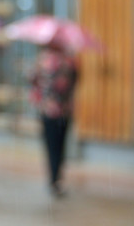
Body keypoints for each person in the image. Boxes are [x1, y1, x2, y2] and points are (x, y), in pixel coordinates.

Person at [29, 41, 79, 197]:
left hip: (48, 110)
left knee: (50, 145)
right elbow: (76, 81)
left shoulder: (42, 60)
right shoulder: (70, 62)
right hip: (64, 110)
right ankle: (57, 178)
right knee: (61, 144)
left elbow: (31, 78)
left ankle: (52, 177)